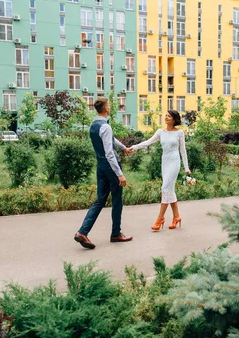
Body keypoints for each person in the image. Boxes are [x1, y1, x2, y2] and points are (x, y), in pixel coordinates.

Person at [74, 97, 133, 249]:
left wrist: (123, 147)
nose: (110, 107)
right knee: (117, 200)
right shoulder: (105, 127)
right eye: (109, 105)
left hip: (100, 166)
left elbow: (111, 140)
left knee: (100, 200)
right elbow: (109, 153)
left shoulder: (95, 125)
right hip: (110, 167)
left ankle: (82, 232)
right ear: (106, 108)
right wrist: (119, 174)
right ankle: (116, 234)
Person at [127, 110, 190, 231]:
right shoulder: (160, 132)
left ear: (174, 119)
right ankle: (176, 216)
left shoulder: (179, 133)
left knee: (165, 188)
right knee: (169, 190)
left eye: (169, 116)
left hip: (174, 162)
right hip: (165, 163)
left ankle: (160, 218)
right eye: (166, 115)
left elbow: (183, 150)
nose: (166, 117)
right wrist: (133, 147)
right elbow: (147, 143)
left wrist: (186, 168)